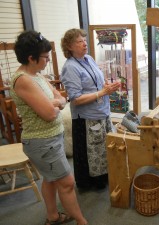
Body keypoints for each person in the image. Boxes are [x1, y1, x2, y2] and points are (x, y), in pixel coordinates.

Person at [10, 30, 88, 225]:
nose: (47, 61)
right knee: (67, 183)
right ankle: (81, 221)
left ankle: (52, 217)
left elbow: (61, 97)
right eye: (45, 58)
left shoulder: (37, 75)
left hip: (52, 137)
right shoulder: (23, 80)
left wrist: (54, 102)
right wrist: (54, 104)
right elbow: (50, 113)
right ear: (31, 58)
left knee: (51, 179)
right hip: (42, 142)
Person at [60, 28, 120, 190]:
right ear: (70, 47)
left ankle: (104, 177)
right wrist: (103, 92)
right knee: (92, 151)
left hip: (102, 111)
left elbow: (98, 82)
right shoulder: (70, 67)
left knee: (103, 148)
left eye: (84, 40)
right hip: (86, 117)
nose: (85, 44)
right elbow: (76, 99)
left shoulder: (89, 59)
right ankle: (91, 184)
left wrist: (107, 86)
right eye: (79, 41)